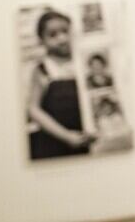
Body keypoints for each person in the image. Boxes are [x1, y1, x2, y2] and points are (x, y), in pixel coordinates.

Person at [26, 9, 96, 159]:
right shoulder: (42, 69)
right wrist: (66, 136)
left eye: (65, 31)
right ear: (41, 40)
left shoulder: (83, 64)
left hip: (84, 141)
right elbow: (33, 109)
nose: (62, 38)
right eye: (53, 35)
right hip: (53, 143)